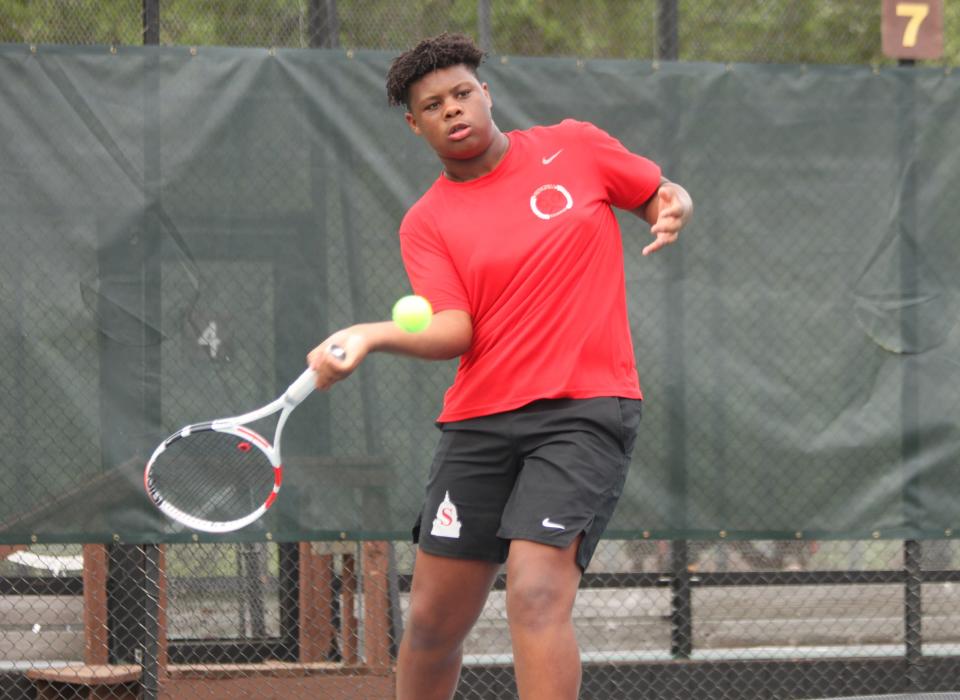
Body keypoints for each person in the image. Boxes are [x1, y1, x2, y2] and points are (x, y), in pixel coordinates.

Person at [307, 32, 693, 700]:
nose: (453, 110)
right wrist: (370, 336)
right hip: (479, 425)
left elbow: (657, 192)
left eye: (462, 93)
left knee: (537, 594)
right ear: (415, 124)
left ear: (485, 93)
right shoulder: (426, 222)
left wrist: (672, 203)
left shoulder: (575, 146)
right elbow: (455, 328)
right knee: (430, 623)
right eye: (434, 105)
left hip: (584, 411)